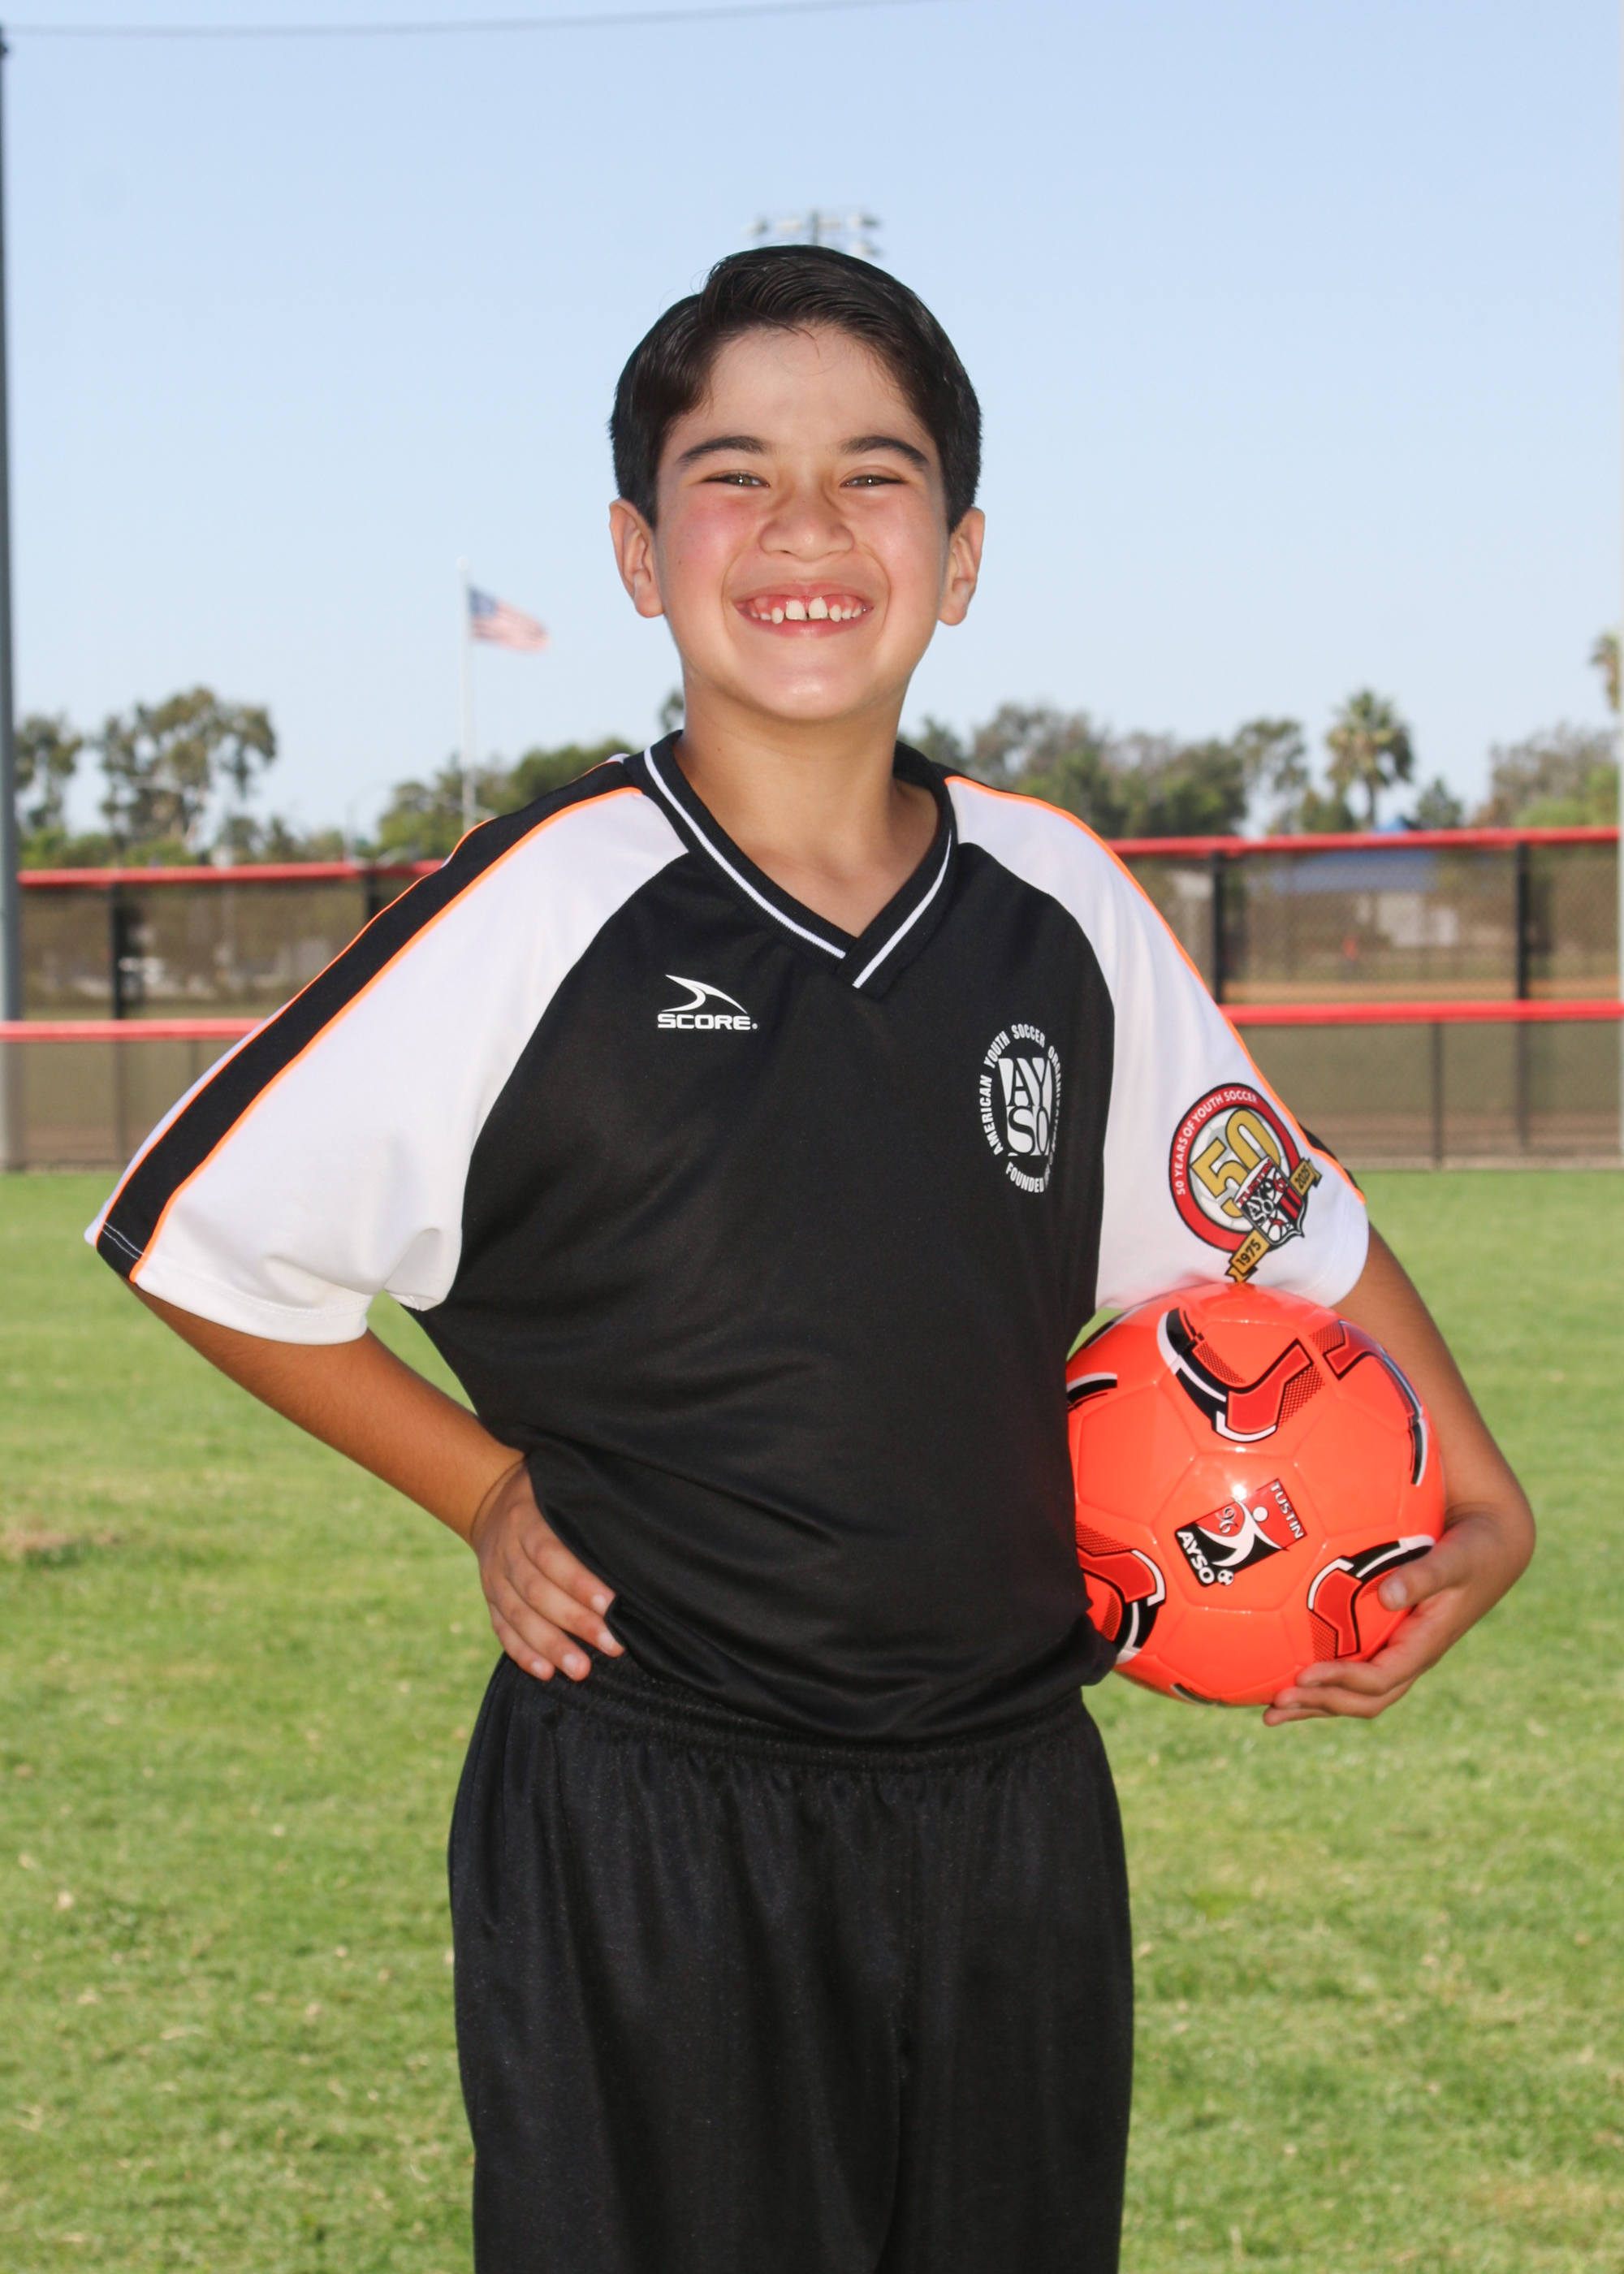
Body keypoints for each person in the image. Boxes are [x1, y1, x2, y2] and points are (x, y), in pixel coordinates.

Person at [89, 246, 1534, 2274]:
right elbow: (198, 1235)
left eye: (872, 475)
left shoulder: (1054, 899)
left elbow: (1271, 1212)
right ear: (635, 547)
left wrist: (1481, 1491)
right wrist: (481, 1487)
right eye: (733, 475)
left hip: (1010, 1808)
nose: (803, 529)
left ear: (959, 555)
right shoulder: (544, 904)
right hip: (655, 1811)